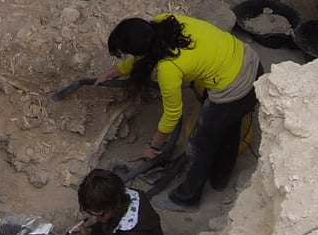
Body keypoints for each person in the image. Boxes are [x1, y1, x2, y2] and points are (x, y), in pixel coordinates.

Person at [97, 14, 260, 209]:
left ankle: (186, 199)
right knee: (228, 126)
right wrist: (116, 70)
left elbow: (173, 114)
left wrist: (155, 147)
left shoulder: (168, 69)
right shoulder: (165, 22)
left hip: (236, 87)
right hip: (248, 60)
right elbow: (147, 53)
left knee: (199, 143)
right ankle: (220, 178)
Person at [57, 168, 167, 235]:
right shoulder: (120, 199)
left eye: (99, 215)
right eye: (91, 214)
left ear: (115, 206)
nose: (94, 219)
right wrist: (90, 231)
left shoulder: (133, 233)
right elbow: (108, 221)